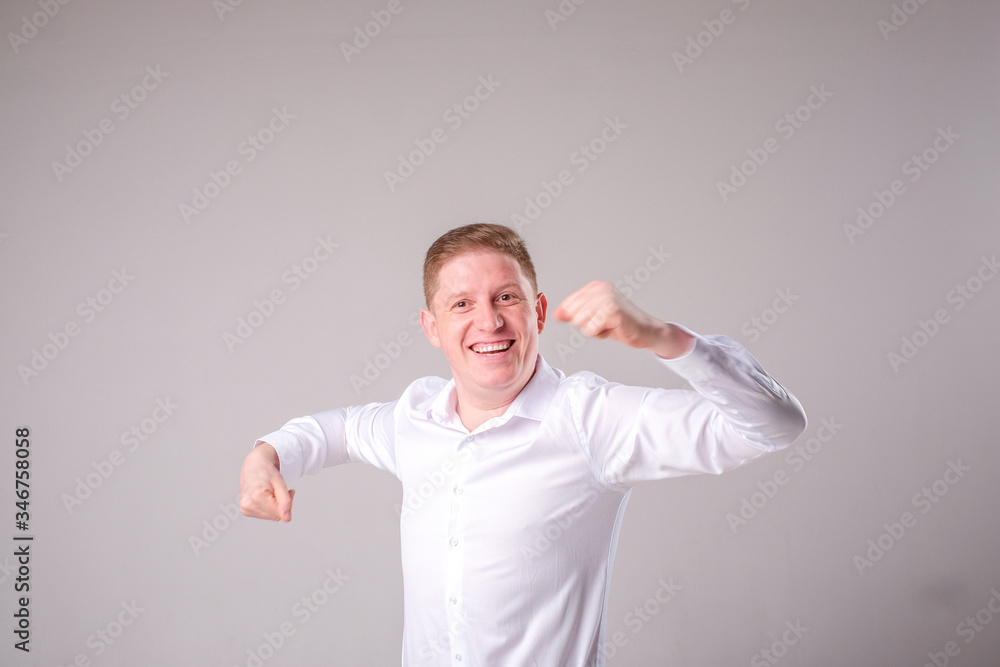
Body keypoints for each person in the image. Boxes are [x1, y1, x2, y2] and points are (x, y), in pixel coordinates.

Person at [239, 223, 807, 666]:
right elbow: (334, 429)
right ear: (432, 327)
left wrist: (663, 337)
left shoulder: (589, 419)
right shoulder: (415, 418)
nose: (489, 322)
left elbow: (773, 425)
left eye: (506, 297)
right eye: (462, 304)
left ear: (537, 311)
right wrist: (266, 456)